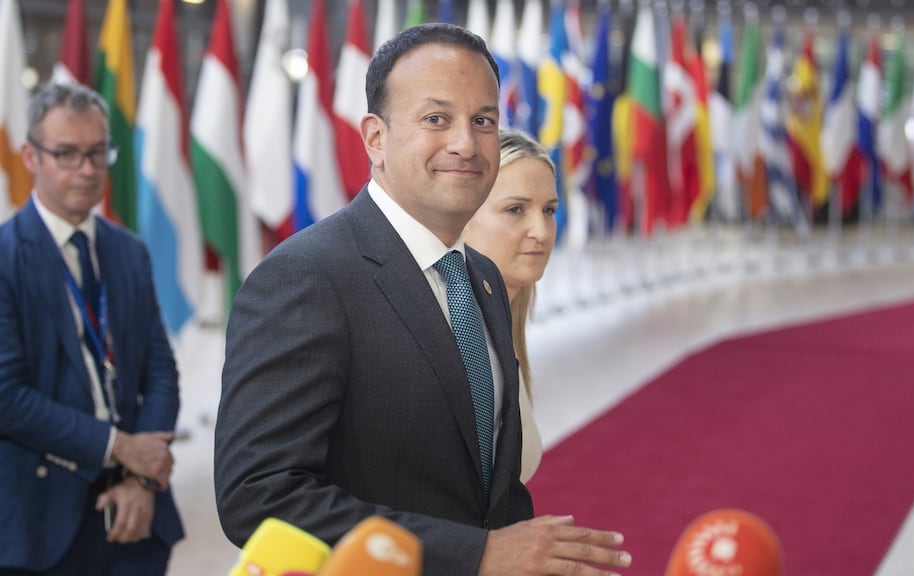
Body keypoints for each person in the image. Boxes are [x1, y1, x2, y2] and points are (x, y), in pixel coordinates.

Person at [215, 23, 631, 576]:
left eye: (483, 121)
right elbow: (259, 494)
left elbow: (489, 490)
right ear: (375, 138)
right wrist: (476, 555)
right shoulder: (306, 277)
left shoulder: (480, 277)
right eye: (436, 119)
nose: (466, 143)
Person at [0, 82, 183, 574]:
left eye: (98, 153)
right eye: (67, 154)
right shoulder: (5, 257)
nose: (87, 170)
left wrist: (143, 478)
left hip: (136, 516)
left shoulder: (129, 251)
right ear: (30, 157)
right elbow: (6, 396)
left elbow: (160, 371)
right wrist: (120, 447)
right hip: (38, 520)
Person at [463, 129, 558, 484]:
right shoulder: (460, 339)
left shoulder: (502, 323)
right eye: (515, 209)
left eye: (549, 210)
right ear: (462, 217)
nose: (542, 232)